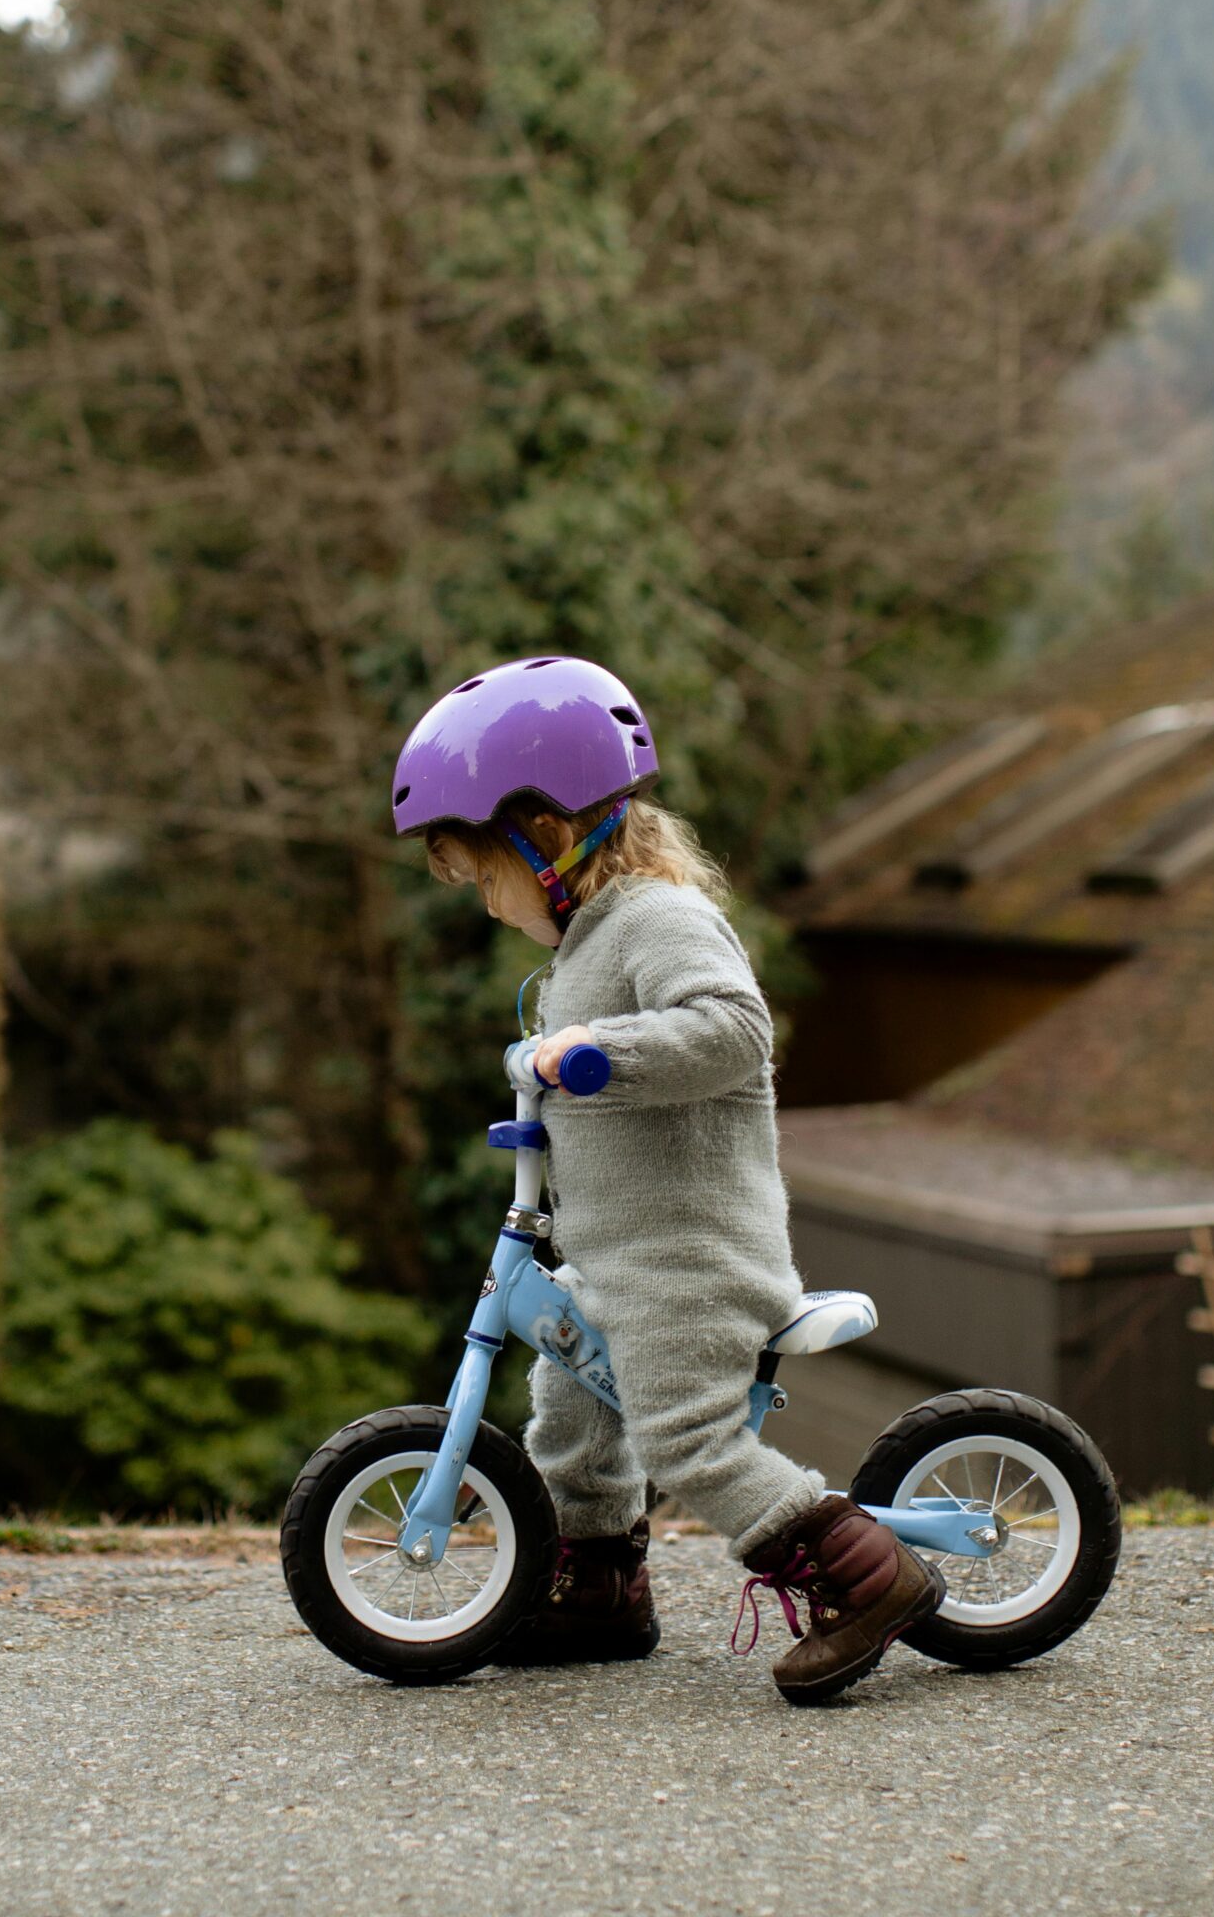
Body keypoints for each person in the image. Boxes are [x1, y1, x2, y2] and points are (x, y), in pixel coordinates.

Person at [392, 653, 944, 1705]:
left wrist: (602, 1051)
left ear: (545, 836)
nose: (487, 906)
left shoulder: (658, 919)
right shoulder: (583, 945)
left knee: (683, 1432)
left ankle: (862, 1574)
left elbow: (735, 1031)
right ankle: (596, 1590)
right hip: (615, 1251)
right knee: (569, 1410)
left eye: (485, 877)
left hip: (691, 1254)